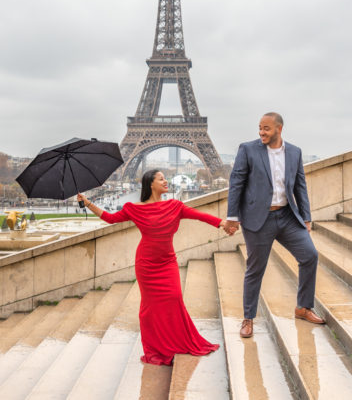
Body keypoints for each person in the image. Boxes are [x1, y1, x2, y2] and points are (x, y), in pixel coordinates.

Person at [77, 170, 232, 365]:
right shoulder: (134, 208)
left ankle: (175, 341)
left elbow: (199, 215)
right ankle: (155, 348)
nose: (166, 181)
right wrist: (87, 202)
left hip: (167, 262)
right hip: (147, 265)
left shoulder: (175, 206)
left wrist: (222, 223)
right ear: (151, 184)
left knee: (174, 298)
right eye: (161, 179)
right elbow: (110, 218)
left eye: (165, 178)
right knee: (150, 308)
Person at [225, 112, 325, 339]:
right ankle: (248, 318)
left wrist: (306, 218)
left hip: (287, 216)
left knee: (309, 256)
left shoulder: (295, 152)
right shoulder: (248, 149)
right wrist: (232, 216)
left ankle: (303, 307)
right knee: (255, 270)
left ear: (279, 129)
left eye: (266, 129)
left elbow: (300, 186)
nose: (261, 132)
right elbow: (236, 183)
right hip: (258, 219)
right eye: (260, 128)